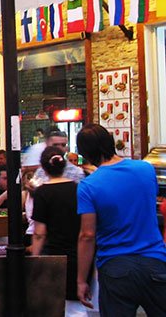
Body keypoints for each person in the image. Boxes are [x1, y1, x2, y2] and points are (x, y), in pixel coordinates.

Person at [75, 124, 166, 315]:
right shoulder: (145, 169)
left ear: (85, 152)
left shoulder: (88, 186)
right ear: (111, 143)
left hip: (116, 267)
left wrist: (82, 280)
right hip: (155, 261)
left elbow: (87, 235)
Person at [30, 146, 82, 315]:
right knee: (76, 304)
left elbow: (39, 233)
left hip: (53, 254)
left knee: (53, 302)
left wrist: (34, 258)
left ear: (43, 168)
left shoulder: (42, 192)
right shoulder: (78, 189)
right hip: (78, 253)